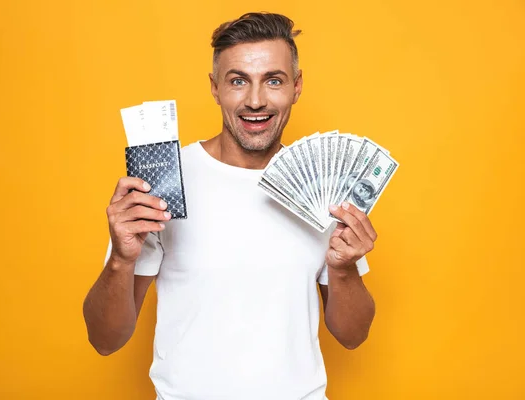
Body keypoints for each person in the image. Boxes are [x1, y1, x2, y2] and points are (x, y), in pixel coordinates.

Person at [83, 12, 378, 400]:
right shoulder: (165, 183)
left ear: (297, 86)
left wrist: (343, 272)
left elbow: (353, 337)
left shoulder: (324, 187)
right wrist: (120, 260)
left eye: (274, 80)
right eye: (238, 81)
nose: (255, 100)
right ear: (215, 87)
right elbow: (105, 340)